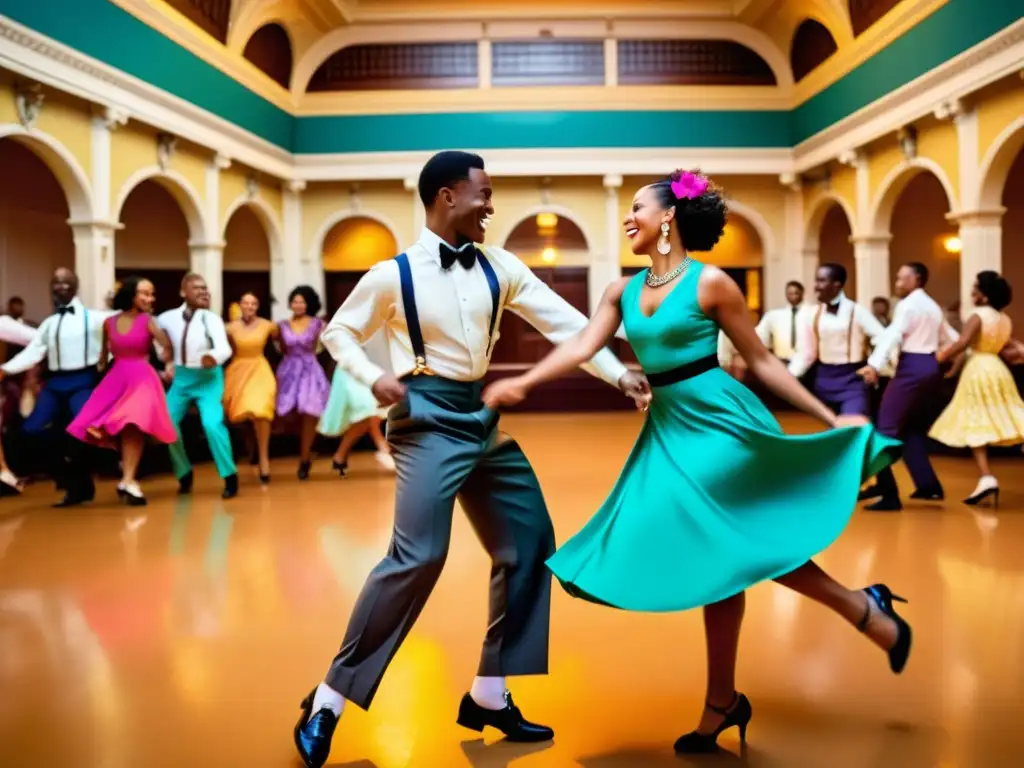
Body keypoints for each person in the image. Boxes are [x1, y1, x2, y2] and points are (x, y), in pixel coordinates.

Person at [482, 170, 908, 754]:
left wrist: (828, 417)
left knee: (733, 543)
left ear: (668, 218)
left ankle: (858, 610)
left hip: (723, 423)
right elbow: (583, 346)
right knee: (718, 556)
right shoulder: (619, 292)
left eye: (638, 207)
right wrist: (525, 383)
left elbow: (761, 362)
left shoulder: (712, 284)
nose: (629, 218)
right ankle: (725, 699)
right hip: (669, 430)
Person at [293, 150, 646, 768]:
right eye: (483, 194)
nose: (490, 205)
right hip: (425, 416)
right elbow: (338, 333)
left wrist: (619, 376)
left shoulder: (502, 267)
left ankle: (489, 692)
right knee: (420, 555)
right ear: (446, 196)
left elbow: (570, 327)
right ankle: (328, 700)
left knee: (530, 543)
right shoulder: (390, 274)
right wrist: (372, 375)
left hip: (480, 416)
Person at [0, 269, 112, 506]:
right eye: (56, 283)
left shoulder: (94, 318)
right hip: (55, 384)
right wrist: (6, 369)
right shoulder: (49, 324)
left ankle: (79, 487)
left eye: (65, 282)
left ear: (75, 286)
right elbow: (34, 352)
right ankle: (70, 480)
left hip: (84, 381)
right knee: (29, 431)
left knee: (81, 433)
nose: (60, 287)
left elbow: (118, 332)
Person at [66, 277, 178, 505]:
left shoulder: (148, 321)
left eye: (152, 294)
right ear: (130, 295)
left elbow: (166, 347)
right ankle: (128, 478)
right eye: (144, 293)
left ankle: (128, 479)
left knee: (133, 421)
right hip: (117, 379)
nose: (149, 298)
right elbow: (102, 359)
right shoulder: (108, 323)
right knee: (116, 426)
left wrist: (168, 362)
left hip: (143, 379)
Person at [857, 262, 957, 511]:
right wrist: (950, 363)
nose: (898, 283)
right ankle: (928, 486)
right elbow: (953, 339)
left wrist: (874, 365)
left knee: (885, 429)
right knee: (911, 429)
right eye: (898, 278)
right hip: (930, 368)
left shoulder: (908, 305)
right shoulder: (933, 306)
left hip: (912, 367)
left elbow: (893, 334)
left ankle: (888, 494)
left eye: (903, 278)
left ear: (918, 279)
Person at [929, 271, 1024, 506]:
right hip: (997, 370)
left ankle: (986, 476)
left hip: (979, 371)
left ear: (984, 295)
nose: (972, 292)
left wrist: (939, 357)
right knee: (1005, 414)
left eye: (975, 288)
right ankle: (985, 477)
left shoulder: (978, 315)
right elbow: (993, 350)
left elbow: (962, 343)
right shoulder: (1004, 319)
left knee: (976, 421)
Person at [157, 273, 238, 499]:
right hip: (182, 379)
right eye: (197, 288)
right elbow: (155, 335)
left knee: (212, 424)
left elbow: (224, 348)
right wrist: (166, 358)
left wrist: (213, 356)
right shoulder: (167, 318)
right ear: (183, 292)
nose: (204, 291)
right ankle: (183, 472)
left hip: (208, 379)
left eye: (205, 288)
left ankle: (230, 476)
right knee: (167, 423)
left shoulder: (211, 319)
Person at [788, 264, 886, 417]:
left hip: (853, 378)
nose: (816, 286)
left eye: (821, 281)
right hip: (823, 380)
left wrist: (874, 364)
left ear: (836, 285)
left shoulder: (857, 311)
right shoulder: (810, 314)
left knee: (851, 425)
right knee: (835, 432)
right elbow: (806, 353)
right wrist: (790, 377)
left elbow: (883, 338)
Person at [224, 292, 278, 485]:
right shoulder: (229, 328)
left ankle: (264, 458)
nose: (249, 306)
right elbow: (226, 349)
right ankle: (251, 451)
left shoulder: (268, 325)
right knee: (245, 413)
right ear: (240, 305)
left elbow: (281, 343)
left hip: (260, 369)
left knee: (261, 410)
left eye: (253, 303)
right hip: (239, 370)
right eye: (246, 303)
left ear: (257, 306)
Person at [277, 286, 330, 480]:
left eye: (302, 301)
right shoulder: (281, 325)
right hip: (289, 370)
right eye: (295, 301)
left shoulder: (317, 323)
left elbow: (323, 346)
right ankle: (302, 450)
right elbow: (281, 348)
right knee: (288, 414)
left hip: (310, 370)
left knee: (310, 411)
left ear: (308, 304)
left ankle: (304, 458)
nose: (298, 305)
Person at [317, 362, 394, 476]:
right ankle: (383, 447)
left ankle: (340, 456)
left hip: (373, 363)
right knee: (368, 408)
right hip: (351, 367)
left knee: (369, 413)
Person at [0, 313, 36, 492]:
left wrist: (8, 368)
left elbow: (38, 339)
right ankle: (4, 471)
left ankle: (4, 471)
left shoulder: (3, 324)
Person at [754, 280, 804, 363]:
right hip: (782, 361)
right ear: (786, 294)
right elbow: (761, 337)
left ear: (802, 294)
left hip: (806, 362)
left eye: (796, 293)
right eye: (790, 293)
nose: (794, 296)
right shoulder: (774, 316)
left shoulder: (811, 314)